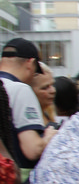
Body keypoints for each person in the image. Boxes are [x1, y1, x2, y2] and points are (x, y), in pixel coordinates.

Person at [0, 38, 56, 166]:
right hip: (12, 172)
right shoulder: (20, 89)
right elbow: (33, 150)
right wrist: (49, 136)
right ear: (30, 63)